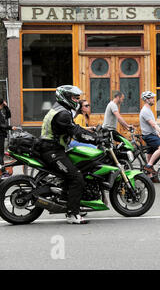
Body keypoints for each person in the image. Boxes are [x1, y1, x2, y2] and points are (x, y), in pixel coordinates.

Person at [40, 85, 101, 224]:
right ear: (66, 97)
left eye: (77, 98)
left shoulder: (62, 109)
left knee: (78, 170)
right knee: (76, 178)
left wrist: (92, 133)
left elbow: (76, 128)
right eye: (74, 98)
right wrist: (96, 139)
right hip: (52, 151)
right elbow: (76, 133)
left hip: (55, 148)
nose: (77, 101)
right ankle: (72, 214)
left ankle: (74, 203)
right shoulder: (63, 114)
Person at [139, 91, 160, 179]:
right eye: (152, 98)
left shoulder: (148, 110)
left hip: (151, 134)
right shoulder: (145, 111)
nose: (153, 99)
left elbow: (152, 126)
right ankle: (149, 166)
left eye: (153, 98)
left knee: (150, 154)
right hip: (149, 136)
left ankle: (150, 176)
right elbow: (153, 125)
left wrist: (158, 135)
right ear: (147, 100)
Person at [0, 98, 17, 178]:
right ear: (1, 104)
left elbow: (8, 115)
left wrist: (6, 107)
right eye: (3, 104)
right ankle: (3, 173)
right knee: (0, 154)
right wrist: (11, 127)